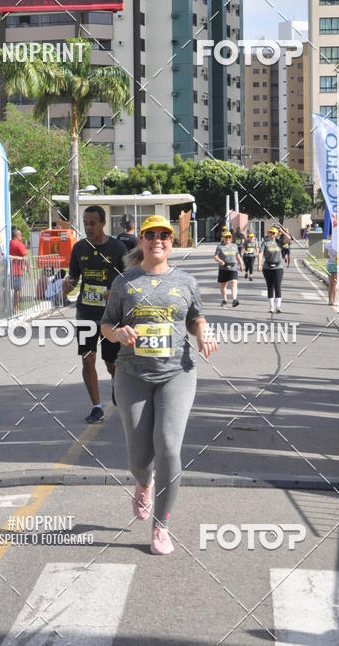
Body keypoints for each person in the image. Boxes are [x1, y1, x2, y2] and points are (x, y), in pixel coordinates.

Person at [100, 214, 218, 556]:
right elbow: (107, 323)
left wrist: (204, 331)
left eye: (164, 236)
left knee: (168, 446)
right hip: (132, 375)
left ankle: (161, 525)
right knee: (140, 456)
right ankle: (143, 482)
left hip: (176, 373)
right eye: (150, 236)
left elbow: (196, 317)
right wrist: (117, 332)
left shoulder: (185, 281)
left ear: (171, 241)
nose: (157, 241)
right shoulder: (126, 282)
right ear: (142, 242)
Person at [62, 205, 127, 423]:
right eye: (85, 223)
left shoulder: (118, 248)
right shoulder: (79, 248)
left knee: (111, 363)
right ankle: (97, 407)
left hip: (111, 316)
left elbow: (128, 280)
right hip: (86, 312)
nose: (88, 227)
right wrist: (67, 286)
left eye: (93, 223)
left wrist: (113, 291)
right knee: (88, 359)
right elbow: (73, 277)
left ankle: (118, 388)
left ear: (103, 223)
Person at [214, 229, 244, 307]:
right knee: (223, 285)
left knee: (234, 282)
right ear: (223, 238)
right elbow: (215, 257)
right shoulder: (219, 247)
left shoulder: (234, 246)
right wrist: (220, 261)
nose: (227, 239)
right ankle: (224, 300)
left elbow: (238, 256)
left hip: (233, 268)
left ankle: (234, 300)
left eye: (229, 237)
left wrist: (241, 264)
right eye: (226, 237)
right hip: (223, 268)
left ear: (231, 238)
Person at [258, 226, 284, 315]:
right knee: (270, 286)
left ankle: (278, 306)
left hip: (278, 266)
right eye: (271, 232)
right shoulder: (265, 243)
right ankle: (271, 306)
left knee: (277, 285)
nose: (272, 234)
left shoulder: (279, 242)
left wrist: (282, 231)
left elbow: (289, 239)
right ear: (268, 233)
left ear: (276, 234)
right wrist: (259, 264)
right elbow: (261, 253)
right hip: (267, 267)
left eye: (274, 233)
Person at [9, 227, 28, 314]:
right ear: (16, 236)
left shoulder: (9, 243)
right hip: (17, 270)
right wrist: (29, 268)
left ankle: (11, 308)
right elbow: (25, 257)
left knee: (11, 289)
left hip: (10, 270)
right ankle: (15, 309)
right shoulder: (19, 244)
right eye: (20, 235)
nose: (21, 237)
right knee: (18, 290)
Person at [325, 239, 338, 306]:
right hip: (337, 265)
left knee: (330, 284)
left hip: (330, 264)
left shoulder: (327, 244)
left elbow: (325, 255)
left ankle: (330, 300)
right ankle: (335, 301)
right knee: (335, 283)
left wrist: (331, 257)